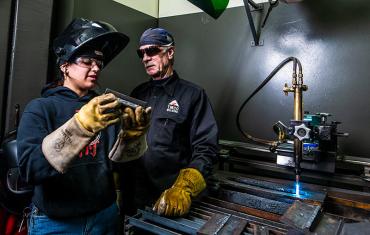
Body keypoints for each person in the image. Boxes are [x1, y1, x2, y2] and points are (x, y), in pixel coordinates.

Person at [16, 18, 151, 234]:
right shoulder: (41, 108)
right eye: (87, 62)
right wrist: (80, 126)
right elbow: (31, 169)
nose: (95, 68)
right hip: (56, 223)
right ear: (65, 66)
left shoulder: (104, 108)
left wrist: (131, 139)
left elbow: (118, 166)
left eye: (99, 63)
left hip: (104, 217)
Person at [122, 27, 219, 217]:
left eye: (152, 51)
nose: (145, 58)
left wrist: (184, 188)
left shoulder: (193, 95)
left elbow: (206, 148)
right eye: (141, 53)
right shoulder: (137, 94)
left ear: (170, 52)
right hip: (136, 199)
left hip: (172, 200)